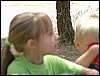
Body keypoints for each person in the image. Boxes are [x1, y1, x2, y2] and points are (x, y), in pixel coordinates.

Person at [1, 12, 99, 75]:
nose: (57, 37)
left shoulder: (53, 61)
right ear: (32, 44)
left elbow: (80, 70)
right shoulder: (16, 69)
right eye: (50, 34)